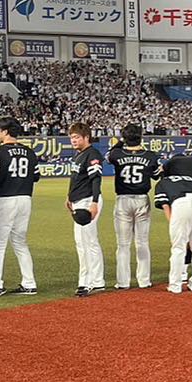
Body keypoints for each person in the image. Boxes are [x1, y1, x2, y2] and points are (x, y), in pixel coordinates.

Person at [0, 117, 40, 296]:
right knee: (20, 242)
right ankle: (29, 282)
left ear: (6, 132)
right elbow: (36, 177)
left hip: (5, 198)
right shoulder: (29, 152)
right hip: (25, 198)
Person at [106, 124, 161, 290]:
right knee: (142, 242)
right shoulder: (150, 155)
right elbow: (157, 175)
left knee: (123, 244)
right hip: (142, 200)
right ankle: (144, 280)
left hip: (123, 200)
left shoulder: (117, 153)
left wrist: (120, 142)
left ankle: (123, 282)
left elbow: (107, 156)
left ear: (124, 137)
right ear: (141, 136)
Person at [154, 167, 192, 294]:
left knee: (178, 247)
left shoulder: (162, 183)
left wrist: (174, 225)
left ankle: (175, 285)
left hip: (181, 203)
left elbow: (165, 206)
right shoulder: (189, 178)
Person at [66, 122, 106, 296]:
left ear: (86, 137)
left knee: (83, 243)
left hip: (88, 201)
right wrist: (69, 197)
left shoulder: (92, 154)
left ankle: (85, 282)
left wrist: (95, 202)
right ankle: (98, 281)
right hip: (78, 200)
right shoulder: (79, 155)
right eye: (72, 137)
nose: (73, 140)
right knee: (90, 241)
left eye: (77, 137)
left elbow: (96, 179)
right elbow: (76, 179)